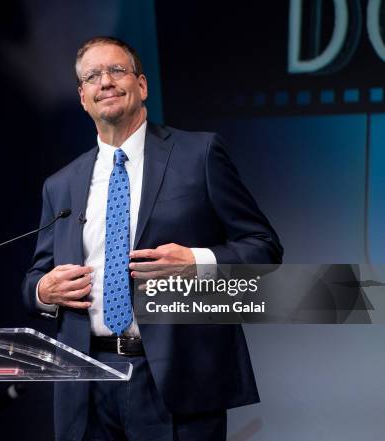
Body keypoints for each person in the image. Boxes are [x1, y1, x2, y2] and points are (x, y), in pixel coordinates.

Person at [22, 36, 283, 441]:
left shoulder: (199, 155)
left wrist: (197, 261)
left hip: (178, 379)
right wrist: (43, 289)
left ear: (141, 86)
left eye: (116, 71)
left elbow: (264, 247)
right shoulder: (60, 185)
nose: (105, 82)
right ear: (82, 97)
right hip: (86, 384)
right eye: (93, 76)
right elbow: (37, 276)